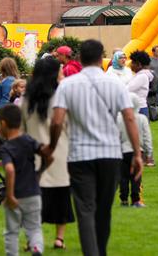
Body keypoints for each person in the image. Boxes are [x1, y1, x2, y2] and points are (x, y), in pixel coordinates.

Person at [44, 39, 141, 256]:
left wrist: (51, 146)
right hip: (110, 154)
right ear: (101, 58)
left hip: (80, 155)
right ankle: (100, 251)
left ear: (79, 58)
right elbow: (129, 118)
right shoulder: (115, 84)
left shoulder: (68, 84)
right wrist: (137, 152)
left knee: (85, 209)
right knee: (103, 209)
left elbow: (57, 120)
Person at [23, 57, 73, 251]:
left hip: (33, 154)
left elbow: (20, 128)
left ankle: (32, 239)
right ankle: (59, 238)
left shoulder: (27, 99)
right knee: (61, 199)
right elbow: (66, 125)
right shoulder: (61, 98)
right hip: (59, 153)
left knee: (34, 201)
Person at [0, 104, 44, 256]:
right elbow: (47, 155)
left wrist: (9, 196)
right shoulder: (29, 140)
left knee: (11, 231)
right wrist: (40, 173)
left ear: (3, 124)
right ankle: (36, 248)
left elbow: (9, 169)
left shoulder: (6, 147)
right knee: (34, 227)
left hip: (16, 195)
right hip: (34, 193)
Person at [125, 51, 154, 166]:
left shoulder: (142, 76)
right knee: (140, 135)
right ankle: (143, 157)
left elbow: (127, 89)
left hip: (140, 108)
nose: (131, 65)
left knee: (141, 135)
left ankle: (149, 158)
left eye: (133, 62)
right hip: (138, 107)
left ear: (139, 64)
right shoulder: (138, 75)